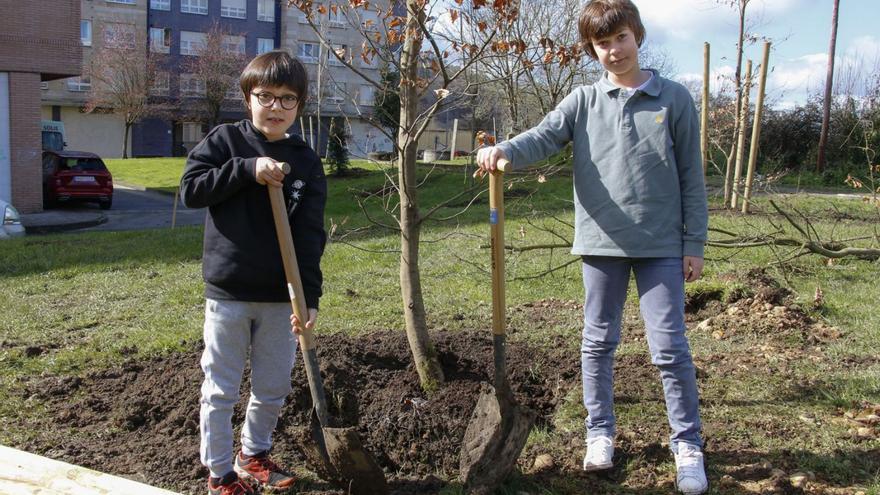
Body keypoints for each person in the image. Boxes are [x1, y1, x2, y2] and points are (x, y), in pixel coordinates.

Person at [475, 1, 709, 493]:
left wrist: (694, 243)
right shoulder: (584, 100)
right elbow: (543, 136)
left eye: (620, 38)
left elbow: (692, 175)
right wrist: (504, 152)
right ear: (591, 49)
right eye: (602, 43)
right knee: (597, 342)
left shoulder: (675, 99)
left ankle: (687, 444)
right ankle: (599, 432)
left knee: (668, 348)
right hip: (602, 243)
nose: (613, 50)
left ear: (637, 36)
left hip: (662, 243)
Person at [180, 50, 327, 495]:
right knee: (221, 388)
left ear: (299, 106)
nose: (276, 107)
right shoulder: (226, 142)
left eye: (287, 99)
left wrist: (310, 298)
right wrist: (246, 169)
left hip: (281, 296)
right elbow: (191, 190)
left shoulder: (305, 160)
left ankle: (253, 454)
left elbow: (311, 235)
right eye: (266, 96)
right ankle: (220, 473)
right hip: (228, 292)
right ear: (249, 98)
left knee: (273, 385)